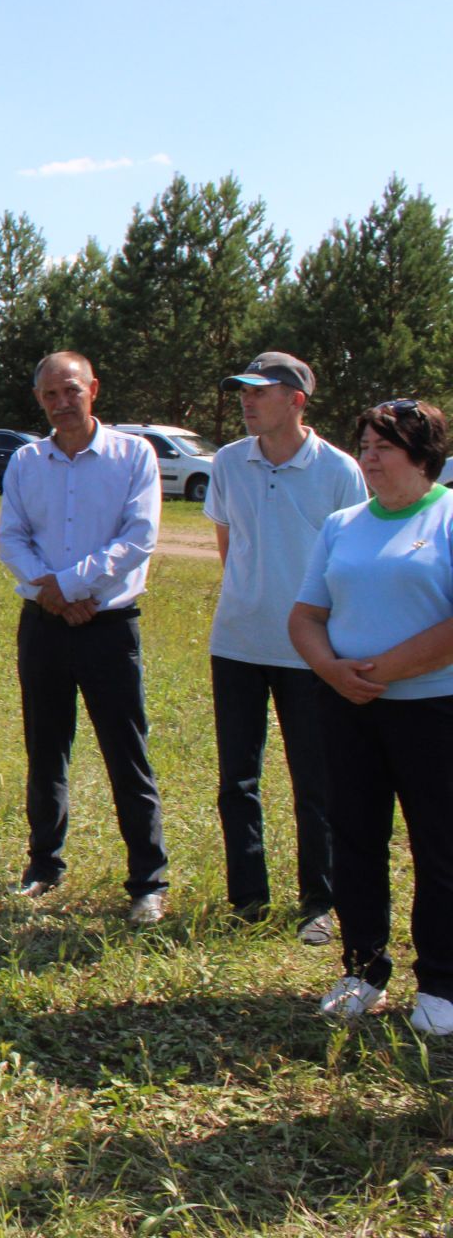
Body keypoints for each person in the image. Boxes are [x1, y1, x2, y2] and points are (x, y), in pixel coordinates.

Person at [289, 399, 453, 1035]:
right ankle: (363, 967)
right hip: (349, 709)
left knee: (439, 846)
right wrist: (333, 671)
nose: (368, 457)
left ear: (423, 456)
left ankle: (440, 981)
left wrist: (380, 670)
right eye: (363, 444)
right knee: (355, 839)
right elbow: (306, 615)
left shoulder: (445, 516)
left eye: (383, 446)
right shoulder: (342, 523)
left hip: (432, 712)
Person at [0, 351, 168, 924]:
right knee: (46, 748)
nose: (61, 403)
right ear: (39, 400)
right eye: (49, 395)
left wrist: (69, 586)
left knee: (127, 753)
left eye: (71, 390)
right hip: (44, 626)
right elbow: (12, 539)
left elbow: (138, 537)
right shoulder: (27, 461)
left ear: (93, 388)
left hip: (108, 625)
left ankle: (148, 880)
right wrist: (52, 594)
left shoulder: (133, 455)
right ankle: (44, 864)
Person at [205, 352, 365, 941]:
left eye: (260, 392)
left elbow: (350, 563)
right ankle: (248, 899)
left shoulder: (340, 471)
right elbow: (229, 545)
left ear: (296, 399)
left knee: (316, 782)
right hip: (238, 642)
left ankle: (319, 905)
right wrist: (253, 599)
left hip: (311, 652)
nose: (246, 401)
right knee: (236, 782)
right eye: (241, 391)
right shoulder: (227, 462)